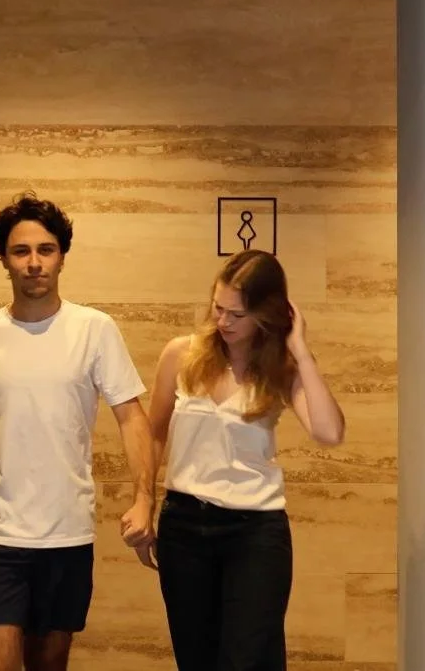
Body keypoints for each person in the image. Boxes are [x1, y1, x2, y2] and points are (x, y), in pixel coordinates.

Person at [0, 193, 157, 671]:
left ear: (61, 256)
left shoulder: (95, 329)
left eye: (45, 250)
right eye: (21, 251)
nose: (34, 262)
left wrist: (144, 499)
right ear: (4, 259)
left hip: (66, 537)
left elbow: (131, 416)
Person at [148, 249, 345, 671]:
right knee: (196, 659)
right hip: (184, 526)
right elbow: (153, 432)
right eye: (218, 308)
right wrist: (141, 501)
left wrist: (301, 351)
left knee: (247, 659)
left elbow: (329, 432)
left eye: (237, 314)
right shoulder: (181, 354)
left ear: (266, 315)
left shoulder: (281, 368)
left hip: (254, 532)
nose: (223, 322)